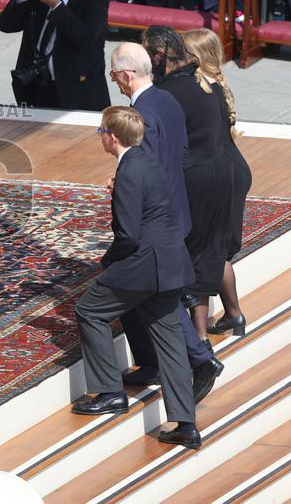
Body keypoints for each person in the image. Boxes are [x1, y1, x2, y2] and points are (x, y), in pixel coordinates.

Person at [72, 106, 200, 449]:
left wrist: (107, 261)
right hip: (170, 264)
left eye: (101, 132)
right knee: (171, 343)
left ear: (113, 137)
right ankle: (185, 424)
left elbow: (128, 236)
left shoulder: (129, 171)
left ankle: (109, 391)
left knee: (89, 311)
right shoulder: (146, 160)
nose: (100, 136)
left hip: (144, 266)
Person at [107, 44, 222, 402]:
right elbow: (181, 154)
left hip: (155, 219)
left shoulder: (143, 113)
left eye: (114, 76)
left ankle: (201, 359)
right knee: (148, 292)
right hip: (175, 210)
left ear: (127, 75)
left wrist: (125, 184)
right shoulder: (167, 100)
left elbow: (146, 165)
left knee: (158, 294)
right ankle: (153, 360)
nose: (115, 83)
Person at [142, 27, 232, 373]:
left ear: (159, 56)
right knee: (207, 250)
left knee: (185, 254)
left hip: (195, 177)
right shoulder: (201, 80)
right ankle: (199, 336)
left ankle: (194, 345)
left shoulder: (167, 93)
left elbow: (166, 145)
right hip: (219, 171)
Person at [184, 28, 252, 337]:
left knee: (207, 251)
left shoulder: (199, 89)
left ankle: (201, 333)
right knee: (218, 249)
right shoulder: (216, 84)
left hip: (222, 173)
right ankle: (234, 315)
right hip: (234, 169)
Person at [0, 0, 112, 111]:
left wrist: (57, 6)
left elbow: (87, 36)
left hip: (77, 93)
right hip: (38, 87)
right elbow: (6, 25)